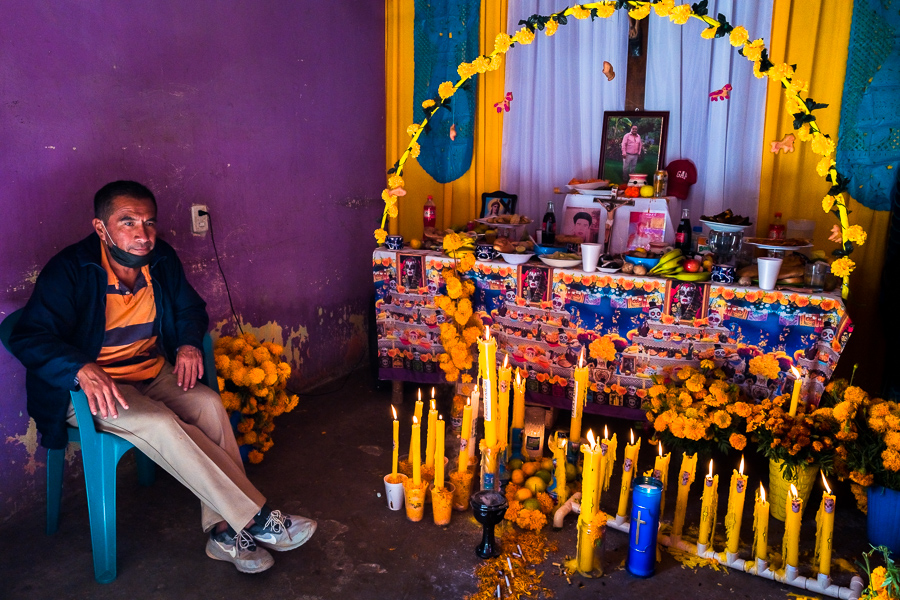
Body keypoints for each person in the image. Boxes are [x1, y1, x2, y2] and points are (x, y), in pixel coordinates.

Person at [8, 181, 315, 574]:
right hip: (90, 391)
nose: (142, 234)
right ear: (101, 229)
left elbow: (190, 309)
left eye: (149, 222)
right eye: (128, 222)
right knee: (160, 422)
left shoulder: (161, 260)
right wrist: (79, 368)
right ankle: (255, 520)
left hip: (149, 371)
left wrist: (188, 344)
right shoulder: (70, 270)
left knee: (208, 405)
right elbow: (29, 337)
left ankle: (224, 533)